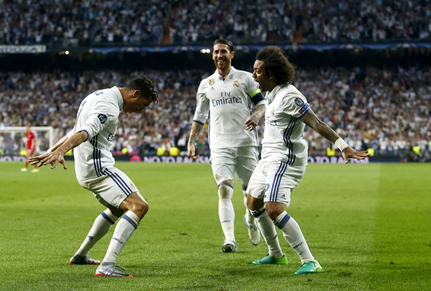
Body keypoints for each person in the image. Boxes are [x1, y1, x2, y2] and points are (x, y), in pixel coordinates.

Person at [247, 46, 369, 274]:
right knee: (253, 202)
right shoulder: (271, 95)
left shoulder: (290, 96)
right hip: (268, 158)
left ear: (271, 73)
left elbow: (316, 123)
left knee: (273, 208)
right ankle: (275, 254)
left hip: (285, 160)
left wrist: (342, 146)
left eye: (258, 71)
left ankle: (310, 261)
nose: (254, 75)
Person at [28, 77, 158, 277]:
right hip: (99, 169)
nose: (141, 110)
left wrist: (51, 150)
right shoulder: (109, 106)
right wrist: (61, 151)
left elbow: (74, 130)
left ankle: (81, 255)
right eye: (144, 104)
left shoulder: (95, 96)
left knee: (116, 208)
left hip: (85, 171)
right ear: (135, 94)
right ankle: (107, 265)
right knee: (139, 207)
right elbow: (84, 132)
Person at [187, 38, 267, 252]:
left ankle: (250, 221)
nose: (219, 55)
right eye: (216, 52)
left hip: (245, 144)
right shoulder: (206, 84)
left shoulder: (245, 78)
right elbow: (200, 115)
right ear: (212, 55)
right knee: (224, 190)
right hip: (220, 145)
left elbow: (261, 102)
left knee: (253, 195)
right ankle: (229, 239)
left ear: (232, 55)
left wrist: (257, 115)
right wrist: (192, 141)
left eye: (223, 51)